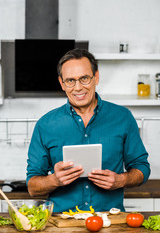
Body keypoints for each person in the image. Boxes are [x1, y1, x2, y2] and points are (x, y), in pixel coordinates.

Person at [26, 48, 150, 212]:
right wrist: (55, 180)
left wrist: (121, 180)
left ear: (96, 77)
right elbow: (32, 187)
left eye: (84, 78)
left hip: (109, 222)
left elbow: (142, 167)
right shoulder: (45, 125)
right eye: (70, 80)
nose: (78, 88)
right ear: (62, 83)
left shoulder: (123, 117)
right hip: (61, 223)